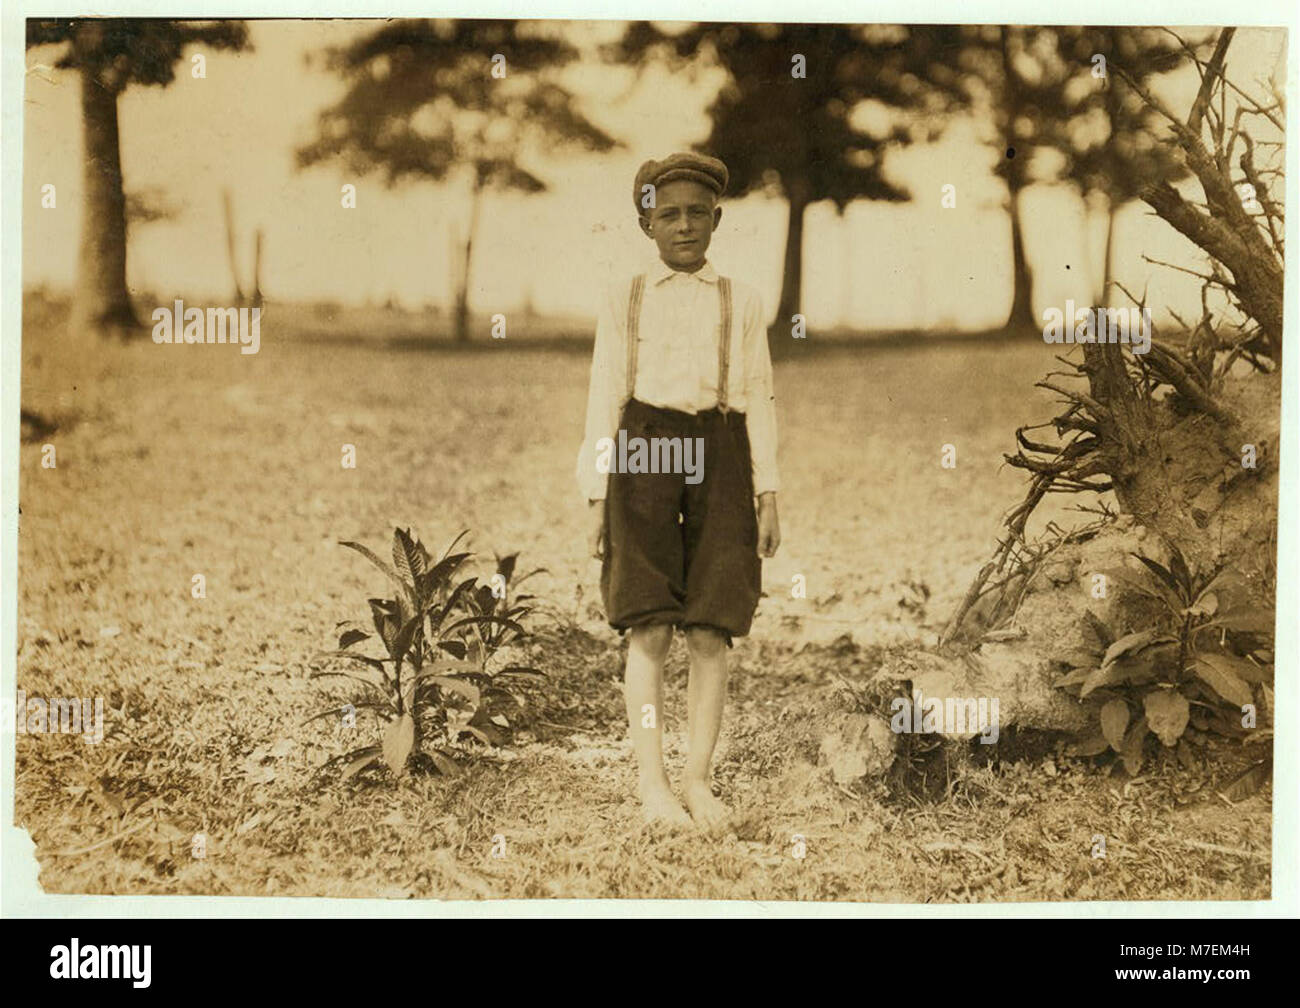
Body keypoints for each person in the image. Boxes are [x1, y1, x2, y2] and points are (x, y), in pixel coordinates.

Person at [576, 152, 781, 829]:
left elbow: (759, 398)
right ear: (647, 224)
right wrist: (596, 495)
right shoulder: (624, 297)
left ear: (717, 220)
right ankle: (652, 781)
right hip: (644, 449)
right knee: (649, 623)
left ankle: (696, 777)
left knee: (711, 626)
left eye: (697, 213)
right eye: (669, 214)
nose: (684, 226)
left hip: (719, 451)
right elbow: (604, 394)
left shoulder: (742, 300)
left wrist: (767, 492)